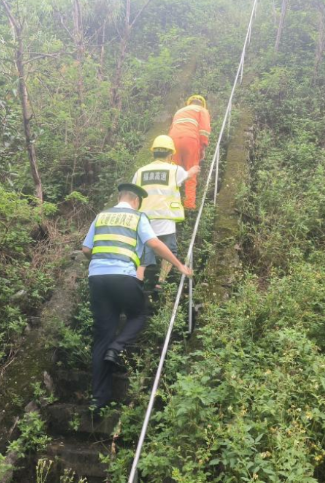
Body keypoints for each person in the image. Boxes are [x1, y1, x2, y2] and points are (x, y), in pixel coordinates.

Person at [81, 183, 192, 412]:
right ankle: (118, 346)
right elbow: (154, 243)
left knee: (102, 337)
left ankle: (98, 400)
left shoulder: (101, 216)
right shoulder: (137, 217)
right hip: (122, 277)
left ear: (119, 196)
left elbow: (86, 249)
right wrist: (179, 265)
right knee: (138, 315)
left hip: (97, 278)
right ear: (135, 201)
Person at [132, 135, 200, 289]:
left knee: (143, 253)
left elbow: (134, 194)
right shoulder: (174, 170)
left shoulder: (140, 172)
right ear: (171, 154)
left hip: (144, 219)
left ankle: (137, 284)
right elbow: (187, 175)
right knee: (169, 250)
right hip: (165, 217)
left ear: (153, 153)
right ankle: (161, 282)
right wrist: (194, 169)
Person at [168, 95, 211, 210]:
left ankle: (170, 203)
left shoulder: (179, 111)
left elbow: (172, 127)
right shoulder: (202, 110)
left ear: (189, 103)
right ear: (202, 104)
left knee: (173, 172)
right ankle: (189, 205)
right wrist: (202, 148)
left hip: (173, 141)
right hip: (190, 140)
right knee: (191, 171)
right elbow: (204, 130)